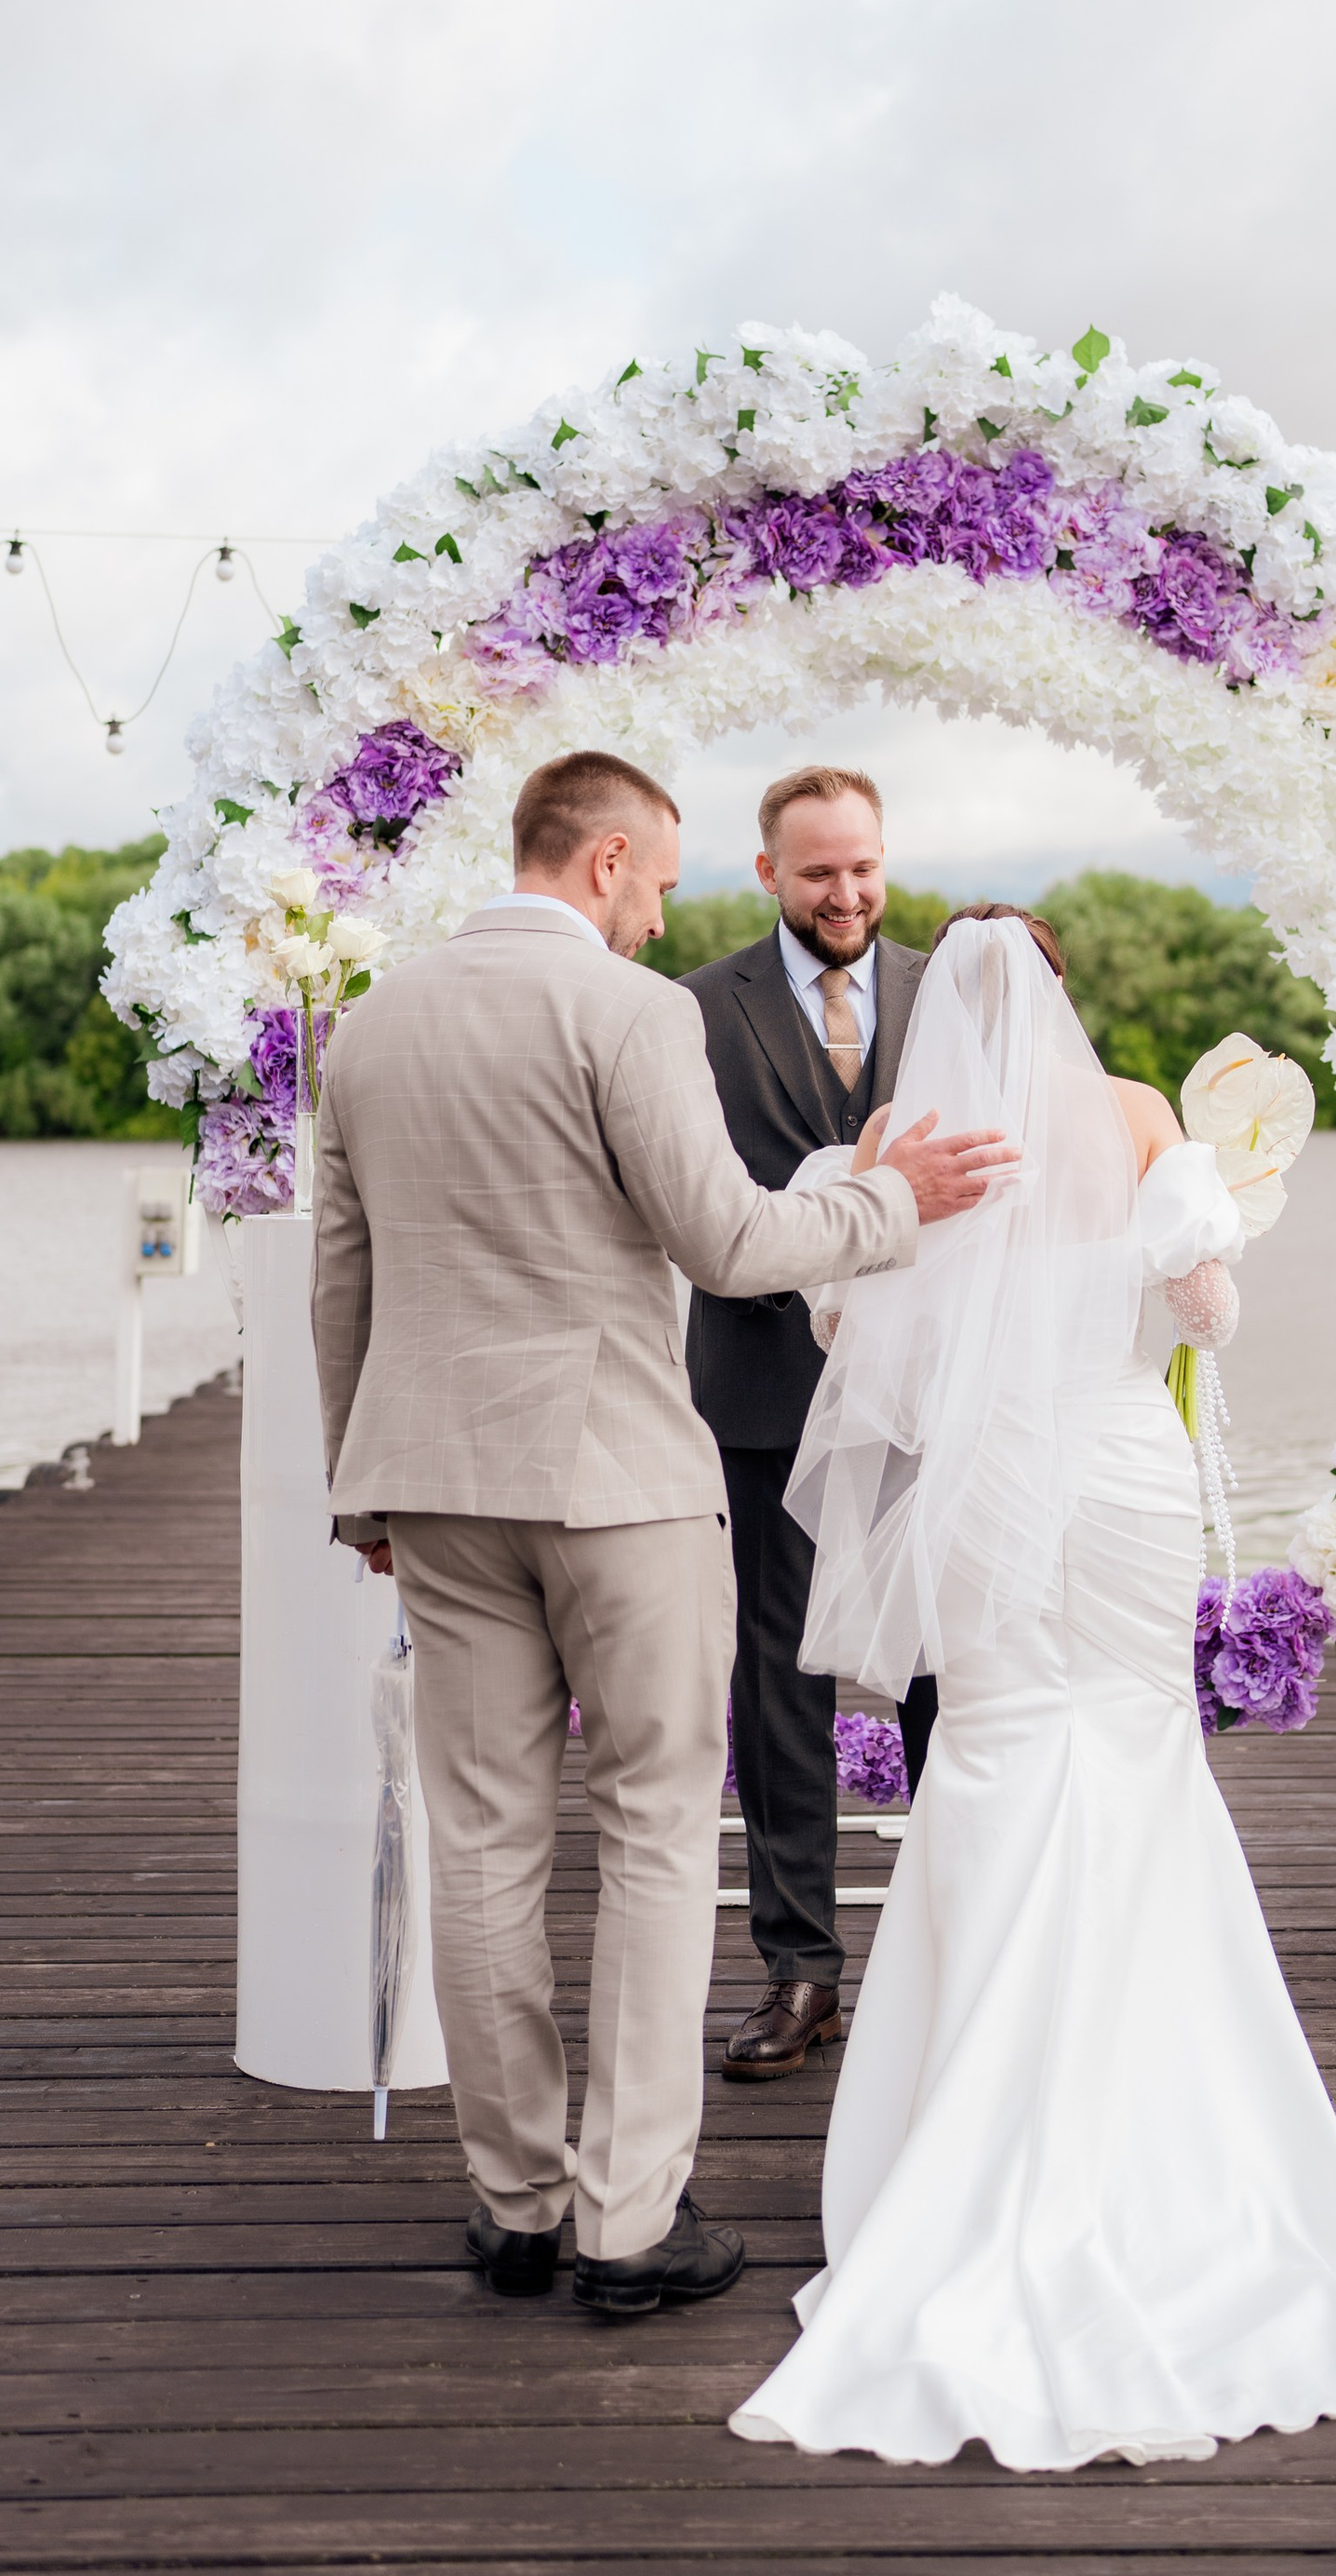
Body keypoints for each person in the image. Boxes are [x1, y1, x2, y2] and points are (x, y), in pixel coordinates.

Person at [310, 750, 1014, 2321]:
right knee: (650, 1830)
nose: (660, 920)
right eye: (662, 886)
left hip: (432, 1483)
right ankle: (629, 2221)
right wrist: (899, 1201)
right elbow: (730, 1241)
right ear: (609, 861)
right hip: (617, 1483)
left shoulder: (373, 1021)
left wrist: (360, 1490)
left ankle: (514, 2206)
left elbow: (339, 1274)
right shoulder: (630, 1013)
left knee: (482, 1841)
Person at [728, 905, 1336, 2464]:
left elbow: (844, 1330)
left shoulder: (898, 1141)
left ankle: (961, 2123)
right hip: (1120, 1470)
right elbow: (1208, 1314)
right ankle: (1153, 2120)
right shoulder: (1133, 1114)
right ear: (1061, 995)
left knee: (986, 1750)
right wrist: (1211, 1218)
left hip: (987, 1482)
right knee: (1138, 1751)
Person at [685, 765, 939, 2084]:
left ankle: (959, 1951)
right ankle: (801, 1971)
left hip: (925, 1391)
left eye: (863, 868)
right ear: (769, 873)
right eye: (819, 872)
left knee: (940, 1662)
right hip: (762, 1383)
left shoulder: (951, 994)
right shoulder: (692, 1009)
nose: (846, 894)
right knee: (778, 1675)